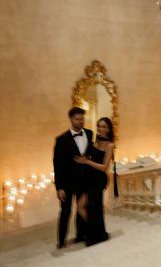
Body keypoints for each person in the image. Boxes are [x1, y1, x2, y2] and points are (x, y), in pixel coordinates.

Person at [53, 107, 93, 249]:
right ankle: (61, 241)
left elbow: (90, 154)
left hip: (84, 181)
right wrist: (59, 187)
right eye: (77, 118)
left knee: (82, 208)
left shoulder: (89, 133)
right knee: (65, 211)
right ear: (71, 119)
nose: (80, 121)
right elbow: (57, 165)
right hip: (67, 183)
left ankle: (80, 236)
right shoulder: (61, 140)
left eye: (82, 118)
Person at [74, 117, 115, 246]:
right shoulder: (95, 140)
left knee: (87, 206)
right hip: (90, 178)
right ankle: (96, 232)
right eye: (99, 126)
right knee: (86, 207)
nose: (100, 129)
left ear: (108, 129)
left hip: (99, 180)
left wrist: (87, 161)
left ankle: (96, 233)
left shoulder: (110, 145)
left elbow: (104, 167)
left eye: (103, 126)